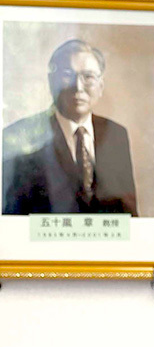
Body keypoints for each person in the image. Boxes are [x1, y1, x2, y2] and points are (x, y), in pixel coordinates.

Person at [2, 39, 137, 216]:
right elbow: (12, 219)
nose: (78, 87)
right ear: (52, 83)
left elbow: (129, 215)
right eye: (67, 75)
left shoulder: (116, 134)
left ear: (101, 86)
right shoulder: (20, 135)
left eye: (88, 77)